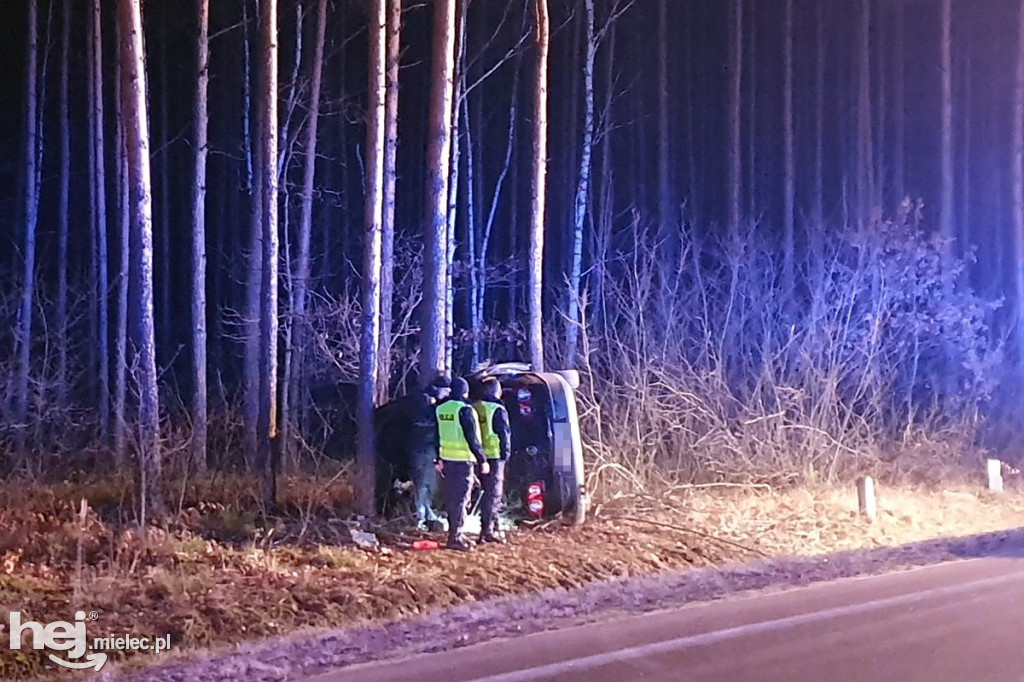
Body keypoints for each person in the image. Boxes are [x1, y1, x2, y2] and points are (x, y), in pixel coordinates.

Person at [435, 377, 489, 551]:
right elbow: (472, 438)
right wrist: (482, 460)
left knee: (452, 498)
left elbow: (437, 435)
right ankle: (455, 538)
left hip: (447, 460)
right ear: (465, 392)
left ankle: (456, 532)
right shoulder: (465, 410)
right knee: (461, 499)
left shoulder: (441, 409)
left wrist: (438, 459)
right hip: (463, 461)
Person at [472, 377, 511, 543]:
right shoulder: (497, 409)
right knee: (493, 494)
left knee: (480, 493)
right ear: (497, 391)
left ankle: (491, 525)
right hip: (494, 456)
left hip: (476, 457)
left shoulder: (475, 407)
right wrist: (506, 454)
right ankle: (488, 530)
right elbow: (504, 433)